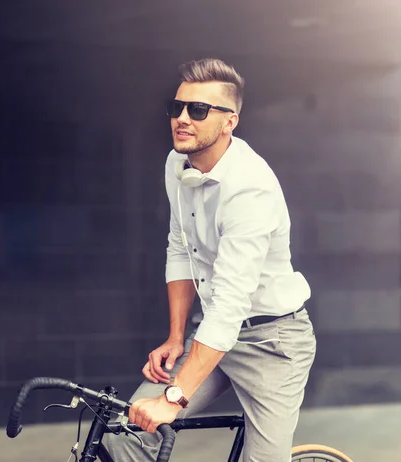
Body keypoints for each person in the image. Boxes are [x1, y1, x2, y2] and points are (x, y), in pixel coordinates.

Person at [103, 58, 316, 462]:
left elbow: (232, 303)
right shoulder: (176, 163)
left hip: (273, 341)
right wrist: (175, 337)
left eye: (198, 110)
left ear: (229, 121)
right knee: (125, 436)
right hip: (213, 333)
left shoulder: (249, 188)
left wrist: (173, 397)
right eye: (176, 107)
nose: (182, 119)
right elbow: (181, 247)